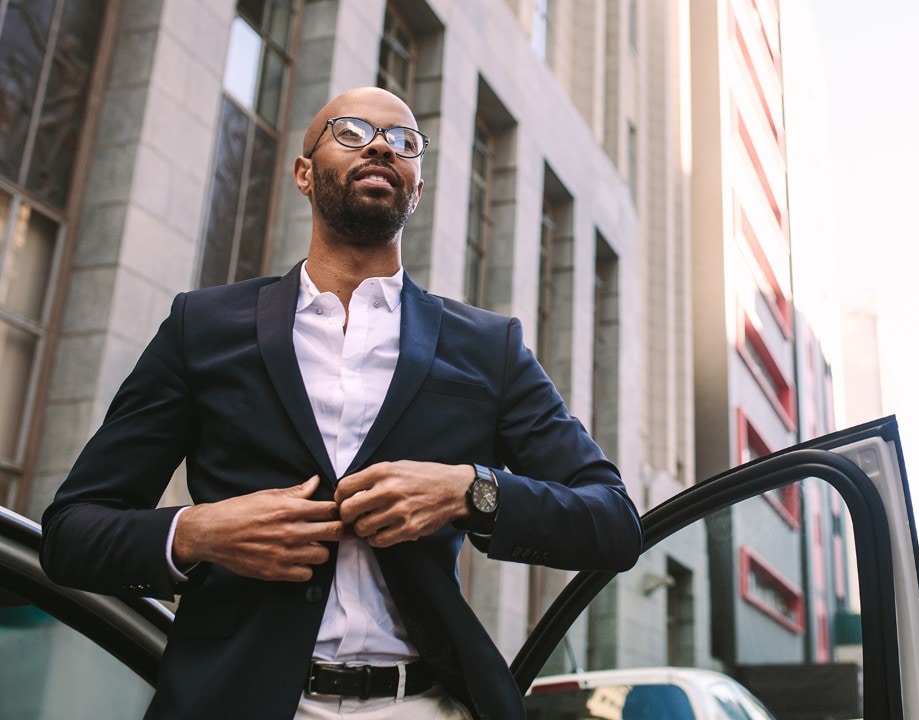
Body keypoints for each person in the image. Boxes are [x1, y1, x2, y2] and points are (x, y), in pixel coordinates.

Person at [40, 87, 642, 720]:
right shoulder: (202, 327)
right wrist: (198, 532)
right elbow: (71, 533)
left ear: (416, 186)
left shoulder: (489, 347)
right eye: (352, 132)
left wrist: (470, 491)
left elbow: (613, 522)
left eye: (405, 140)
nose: (382, 144)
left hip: (424, 704)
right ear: (304, 172)